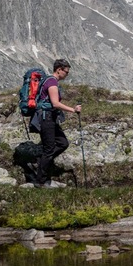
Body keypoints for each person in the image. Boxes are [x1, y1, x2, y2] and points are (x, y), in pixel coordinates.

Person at [29, 59, 81, 188]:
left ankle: (41, 163)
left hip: (49, 117)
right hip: (46, 118)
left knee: (62, 143)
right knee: (49, 149)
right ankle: (41, 181)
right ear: (59, 69)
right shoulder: (52, 82)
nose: (67, 74)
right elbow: (55, 103)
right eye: (66, 72)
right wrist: (73, 110)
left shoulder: (50, 81)